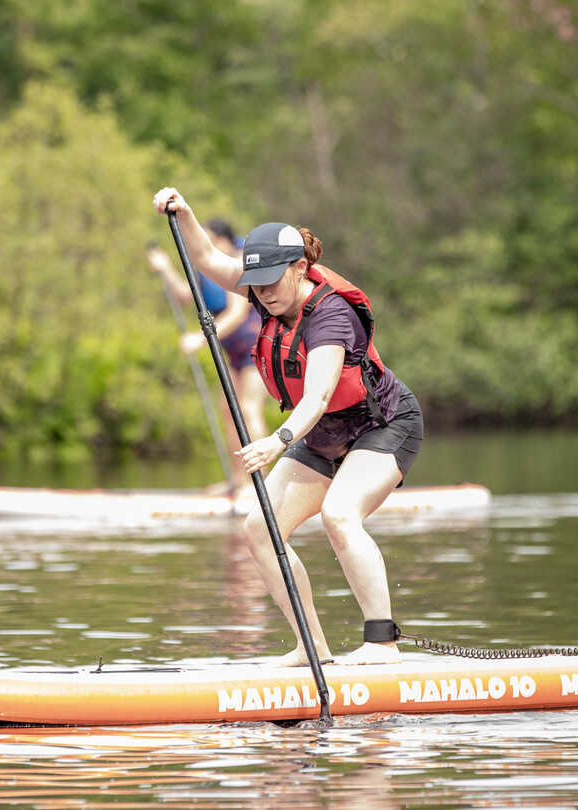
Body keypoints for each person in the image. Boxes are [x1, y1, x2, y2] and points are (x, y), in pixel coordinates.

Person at [153, 187, 424, 666]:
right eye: (256, 283)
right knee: (259, 529)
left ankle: (382, 644)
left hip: (381, 426)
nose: (263, 292)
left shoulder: (332, 316)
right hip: (321, 437)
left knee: (340, 515)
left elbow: (318, 396)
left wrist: (276, 441)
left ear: (300, 268)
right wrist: (185, 212)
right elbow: (208, 259)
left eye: (273, 281)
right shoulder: (265, 289)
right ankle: (311, 647)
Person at [148, 219, 268, 493]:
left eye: (210, 238)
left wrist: (200, 339)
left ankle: (260, 483)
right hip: (233, 352)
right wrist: (166, 269)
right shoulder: (207, 268)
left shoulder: (237, 264)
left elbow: (236, 314)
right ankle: (238, 482)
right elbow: (184, 296)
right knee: (229, 411)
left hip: (255, 347)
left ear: (224, 241)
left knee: (248, 410)